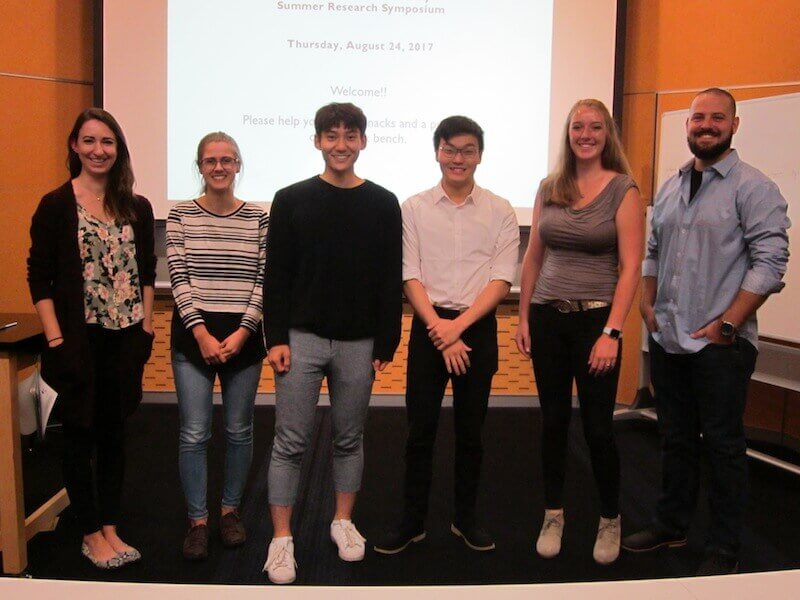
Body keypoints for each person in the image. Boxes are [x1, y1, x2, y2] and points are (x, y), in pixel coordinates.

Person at [621, 88, 790, 576]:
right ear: (687, 125)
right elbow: (652, 248)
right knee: (674, 439)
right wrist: (648, 303)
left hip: (723, 345)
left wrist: (730, 322)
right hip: (670, 337)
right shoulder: (673, 187)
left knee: (722, 446)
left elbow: (772, 261)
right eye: (698, 118)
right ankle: (671, 525)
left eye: (717, 117)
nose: (706, 125)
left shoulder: (754, 188)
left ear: (734, 125)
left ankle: (724, 544)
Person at [262, 102, 402, 584]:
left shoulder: (384, 203)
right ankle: (281, 539)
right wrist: (275, 337)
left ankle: (343, 521)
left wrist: (388, 339)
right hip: (300, 340)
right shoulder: (291, 198)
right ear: (317, 141)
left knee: (349, 437)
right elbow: (275, 275)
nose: (341, 144)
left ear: (363, 141)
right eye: (331, 135)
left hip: (359, 343)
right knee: (290, 440)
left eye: (350, 135)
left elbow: (390, 277)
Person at [374, 116, 519, 555]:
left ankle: (465, 519)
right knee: (419, 432)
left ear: (480, 154)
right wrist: (441, 330)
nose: (459, 158)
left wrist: (458, 328)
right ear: (437, 151)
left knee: (471, 433)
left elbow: (501, 279)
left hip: (476, 329)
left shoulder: (500, 209)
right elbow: (409, 273)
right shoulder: (413, 207)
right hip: (428, 328)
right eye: (450, 149)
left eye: (468, 150)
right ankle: (412, 522)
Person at [514, 99, 643, 565]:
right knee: (552, 421)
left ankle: (610, 518)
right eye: (577, 126)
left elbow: (630, 268)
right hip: (549, 317)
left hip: (596, 322)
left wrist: (612, 331)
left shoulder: (623, 190)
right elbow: (534, 257)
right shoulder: (551, 187)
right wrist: (525, 315)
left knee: (597, 428)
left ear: (607, 133)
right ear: (568, 133)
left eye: (594, 126)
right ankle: (554, 513)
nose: (585, 134)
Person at [27, 108, 156, 569]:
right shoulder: (57, 204)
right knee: (80, 436)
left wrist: (145, 325)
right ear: (75, 147)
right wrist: (56, 336)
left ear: (118, 149)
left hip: (125, 341)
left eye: (107, 142)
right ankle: (88, 533)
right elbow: (39, 276)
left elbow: (146, 268)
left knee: (115, 436)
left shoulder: (136, 206)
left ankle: (110, 527)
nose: (99, 150)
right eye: (89, 141)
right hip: (78, 342)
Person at [166, 132, 268, 560]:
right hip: (194, 339)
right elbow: (178, 276)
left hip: (243, 338)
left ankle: (228, 511)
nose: (220, 167)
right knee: (194, 432)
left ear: (239, 165)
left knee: (239, 430)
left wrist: (244, 332)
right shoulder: (180, 215)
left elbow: (265, 281)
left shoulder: (260, 218)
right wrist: (202, 333)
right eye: (211, 160)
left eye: (228, 159)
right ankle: (198, 520)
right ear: (200, 166)